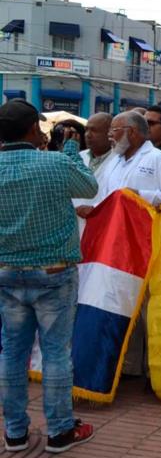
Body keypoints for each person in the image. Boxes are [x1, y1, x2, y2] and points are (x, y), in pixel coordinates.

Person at [0, 99, 97, 453]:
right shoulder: (55, 162)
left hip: (6, 272)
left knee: (12, 353)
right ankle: (59, 431)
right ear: (33, 131)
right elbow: (88, 187)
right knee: (56, 353)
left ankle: (15, 433)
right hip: (54, 272)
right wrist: (70, 147)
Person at [100, 111, 161, 206]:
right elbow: (104, 198)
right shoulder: (113, 161)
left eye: (114, 129)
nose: (109, 135)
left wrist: (140, 194)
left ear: (131, 132)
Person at [73, 113, 114, 231]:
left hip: (105, 226)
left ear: (109, 133)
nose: (88, 135)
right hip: (76, 227)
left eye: (94, 130)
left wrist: (94, 208)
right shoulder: (78, 157)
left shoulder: (121, 160)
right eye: (86, 130)